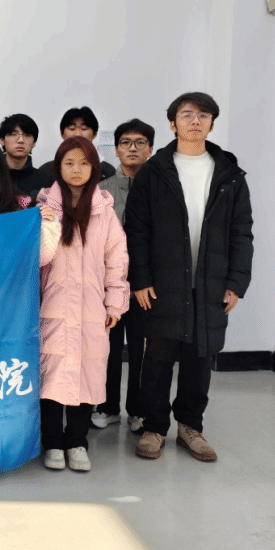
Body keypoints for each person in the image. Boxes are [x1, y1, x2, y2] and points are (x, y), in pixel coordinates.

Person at [126, 92, 253, 462]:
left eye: (203, 115)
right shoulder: (154, 171)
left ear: (211, 124)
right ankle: (153, 428)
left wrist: (236, 282)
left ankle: (190, 427)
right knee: (157, 358)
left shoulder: (229, 173)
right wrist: (140, 278)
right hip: (162, 282)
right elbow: (136, 229)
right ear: (172, 124)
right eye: (187, 114)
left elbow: (241, 231)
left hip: (210, 282)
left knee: (200, 360)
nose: (195, 120)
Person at [36, 136, 130, 472]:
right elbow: (39, 259)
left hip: (92, 309)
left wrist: (114, 304)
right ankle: (52, 442)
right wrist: (46, 224)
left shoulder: (104, 212)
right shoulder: (44, 208)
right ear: (58, 168)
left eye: (84, 163)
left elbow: (116, 260)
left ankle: (77, 441)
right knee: (51, 377)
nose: (77, 170)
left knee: (87, 375)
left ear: (94, 169)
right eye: (69, 163)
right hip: (53, 309)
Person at [92, 118, 156, 432]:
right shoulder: (101, 191)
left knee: (144, 350)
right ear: (116, 149)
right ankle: (107, 406)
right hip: (108, 285)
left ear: (150, 149)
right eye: (125, 142)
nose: (132, 148)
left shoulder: (161, 190)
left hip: (147, 285)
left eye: (140, 142)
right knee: (108, 347)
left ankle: (138, 410)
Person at [36, 106, 116, 186]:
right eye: (72, 128)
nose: (77, 134)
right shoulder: (46, 171)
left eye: (84, 129)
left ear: (95, 134)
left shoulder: (108, 172)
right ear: (61, 133)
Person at [0, 113, 52, 196]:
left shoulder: (44, 180)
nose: (20, 140)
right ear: (2, 140)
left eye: (27, 135)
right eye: (13, 134)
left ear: (34, 143)